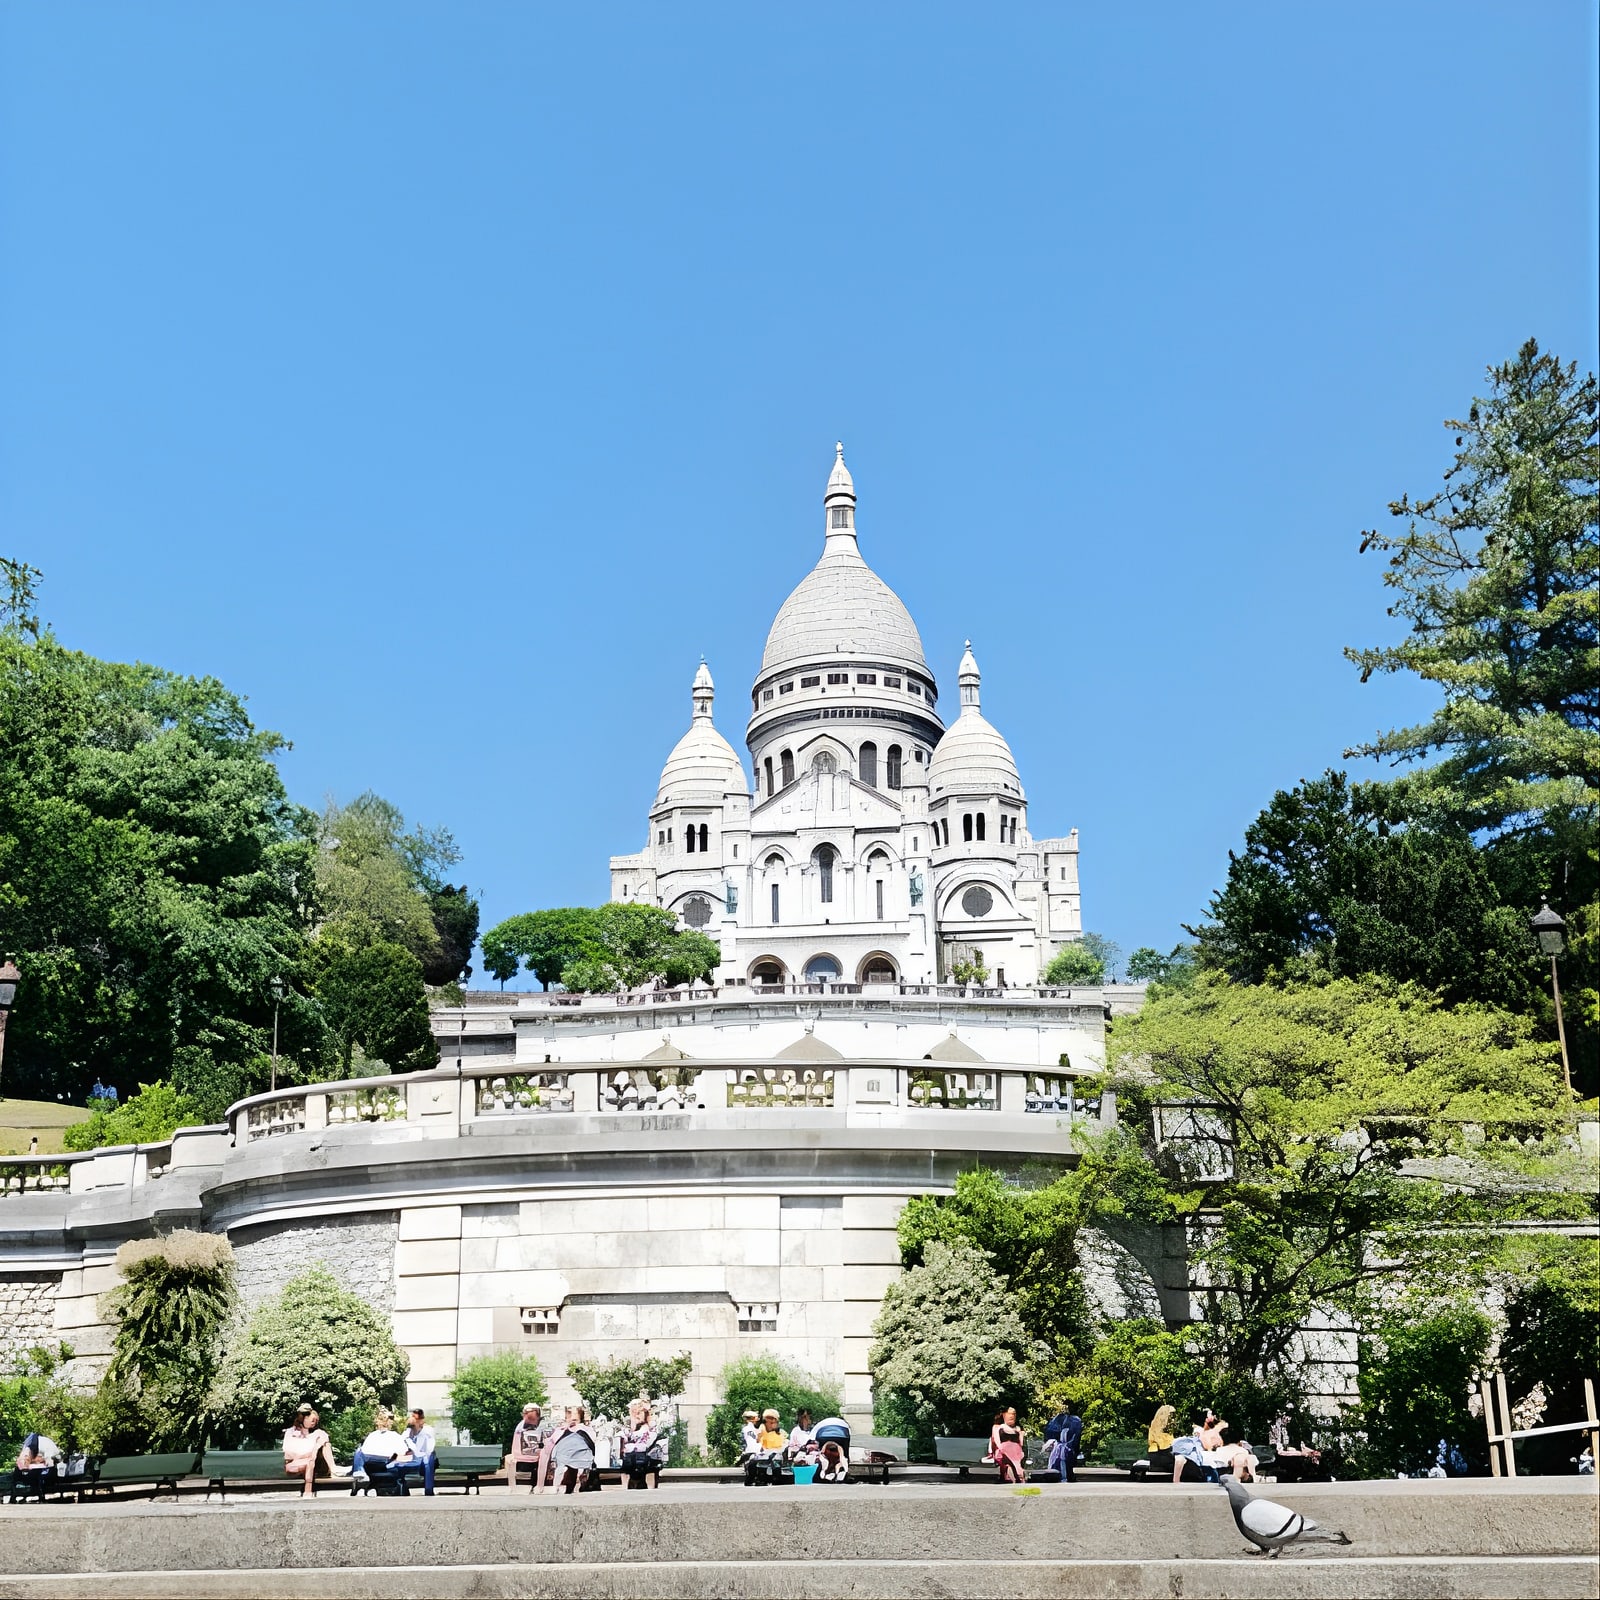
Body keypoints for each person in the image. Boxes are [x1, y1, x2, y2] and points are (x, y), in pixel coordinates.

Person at [284, 1404, 346, 1496]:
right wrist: (309, 1454)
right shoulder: (291, 1432)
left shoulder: (318, 1433)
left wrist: (316, 1448)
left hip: (316, 1463)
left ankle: (333, 1468)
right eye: (312, 1420)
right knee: (308, 1461)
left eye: (316, 1421)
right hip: (297, 1462)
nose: (314, 1423)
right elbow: (289, 1454)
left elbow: (324, 1442)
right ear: (303, 1418)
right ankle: (308, 1491)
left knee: (325, 1444)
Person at [538, 1406, 598, 1494]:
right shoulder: (562, 1430)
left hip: (577, 1458)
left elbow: (591, 1444)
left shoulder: (583, 1430)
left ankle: (570, 1487)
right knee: (568, 1471)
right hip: (566, 1459)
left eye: (574, 1419)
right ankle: (561, 1488)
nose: (571, 1420)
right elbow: (552, 1442)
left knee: (572, 1471)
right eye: (569, 1418)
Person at [351, 1408, 410, 1494]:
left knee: (358, 1452)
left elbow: (403, 1452)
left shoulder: (393, 1435)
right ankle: (360, 1473)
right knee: (359, 1452)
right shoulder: (375, 1435)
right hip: (376, 1460)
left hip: (384, 1460)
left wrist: (393, 1457)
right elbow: (403, 1450)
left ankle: (359, 1471)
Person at [617, 1399, 668, 1489]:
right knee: (626, 1462)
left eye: (639, 1413)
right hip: (631, 1459)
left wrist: (631, 1445)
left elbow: (647, 1443)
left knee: (641, 1461)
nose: (636, 1415)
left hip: (644, 1458)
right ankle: (627, 1486)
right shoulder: (628, 1429)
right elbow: (623, 1443)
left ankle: (644, 1485)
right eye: (634, 1413)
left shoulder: (650, 1428)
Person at [1199, 1411, 1257, 1482]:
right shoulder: (1241, 1450)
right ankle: (1247, 1476)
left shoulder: (1218, 1443)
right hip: (1232, 1464)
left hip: (1219, 1464)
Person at [393, 1408, 437, 1496]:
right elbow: (400, 1445)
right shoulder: (407, 1433)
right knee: (396, 1463)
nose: (413, 1420)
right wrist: (408, 1439)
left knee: (428, 1459)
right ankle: (401, 1489)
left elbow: (429, 1450)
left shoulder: (427, 1431)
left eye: (415, 1418)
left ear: (421, 1420)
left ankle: (428, 1490)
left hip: (425, 1460)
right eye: (412, 1417)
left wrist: (415, 1452)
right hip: (410, 1460)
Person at [512, 1403, 553, 1491]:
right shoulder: (521, 1427)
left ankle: (538, 1483)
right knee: (543, 1458)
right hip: (526, 1455)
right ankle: (539, 1484)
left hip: (526, 1454)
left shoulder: (522, 1426)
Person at [1170, 1410, 1219, 1484]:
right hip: (1198, 1454)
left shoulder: (1214, 1432)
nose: (1213, 1416)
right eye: (1210, 1415)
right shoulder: (1199, 1431)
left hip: (1204, 1457)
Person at [10, 1434, 59, 1503]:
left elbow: (49, 1464)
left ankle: (38, 1496)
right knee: (32, 1477)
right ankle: (38, 1496)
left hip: (43, 1475)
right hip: (35, 1474)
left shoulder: (45, 1449)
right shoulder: (31, 1448)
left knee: (37, 1477)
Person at [1044, 1403, 1083, 1483]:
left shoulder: (1074, 1420)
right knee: (1059, 1461)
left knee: (1065, 1461)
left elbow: (1075, 1437)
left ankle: (1065, 1476)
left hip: (1066, 1447)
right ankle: (1061, 1476)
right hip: (1061, 1447)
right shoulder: (1060, 1419)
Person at [750, 1409, 787, 1486]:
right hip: (765, 1451)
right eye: (769, 1419)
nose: (771, 1422)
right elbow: (757, 1440)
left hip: (777, 1451)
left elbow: (784, 1442)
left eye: (773, 1420)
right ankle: (761, 1478)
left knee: (776, 1459)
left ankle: (776, 1479)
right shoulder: (762, 1429)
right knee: (762, 1458)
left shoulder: (780, 1432)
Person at [989, 1406, 1026, 1484]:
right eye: (1010, 1413)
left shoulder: (1018, 1429)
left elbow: (1021, 1443)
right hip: (1002, 1451)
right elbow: (996, 1441)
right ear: (1004, 1415)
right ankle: (1012, 1475)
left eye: (1014, 1414)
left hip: (1016, 1452)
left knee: (1015, 1458)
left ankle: (1017, 1476)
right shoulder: (998, 1427)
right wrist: (994, 1451)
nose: (1012, 1416)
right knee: (1005, 1455)